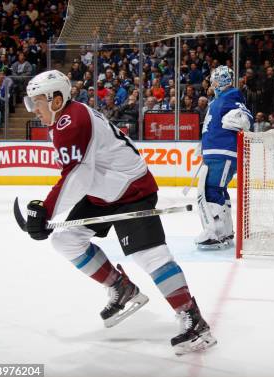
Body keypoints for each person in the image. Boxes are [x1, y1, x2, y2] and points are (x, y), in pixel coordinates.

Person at [21, 70, 216, 355]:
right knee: (65, 240)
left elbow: (78, 176)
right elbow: (82, 175)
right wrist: (49, 214)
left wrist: (47, 211)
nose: (33, 108)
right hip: (104, 193)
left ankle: (194, 321)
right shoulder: (62, 120)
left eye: (37, 101)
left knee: (149, 255)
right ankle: (121, 288)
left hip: (131, 190)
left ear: (56, 99)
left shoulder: (71, 121)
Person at [197, 65, 253, 249]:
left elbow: (245, 116)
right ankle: (226, 231)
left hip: (223, 153)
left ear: (221, 81)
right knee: (218, 190)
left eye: (214, 79)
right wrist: (203, 144)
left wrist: (240, 118)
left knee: (210, 190)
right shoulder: (216, 100)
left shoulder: (232, 96)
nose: (212, 83)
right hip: (216, 152)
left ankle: (215, 233)